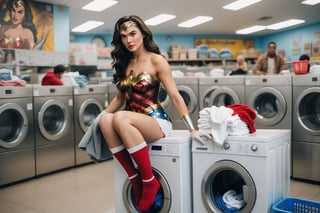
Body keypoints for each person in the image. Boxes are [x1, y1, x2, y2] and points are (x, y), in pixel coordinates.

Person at [98, 15, 207, 212]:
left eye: (133, 34)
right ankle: (135, 178)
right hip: (131, 123)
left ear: (143, 34)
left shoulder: (157, 61)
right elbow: (119, 99)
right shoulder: (124, 62)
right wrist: (100, 117)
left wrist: (192, 129)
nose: (129, 40)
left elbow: (175, 96)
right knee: (106, 120)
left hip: (156, 122)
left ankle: (149, 181)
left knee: (120, 117)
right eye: (123, 36)